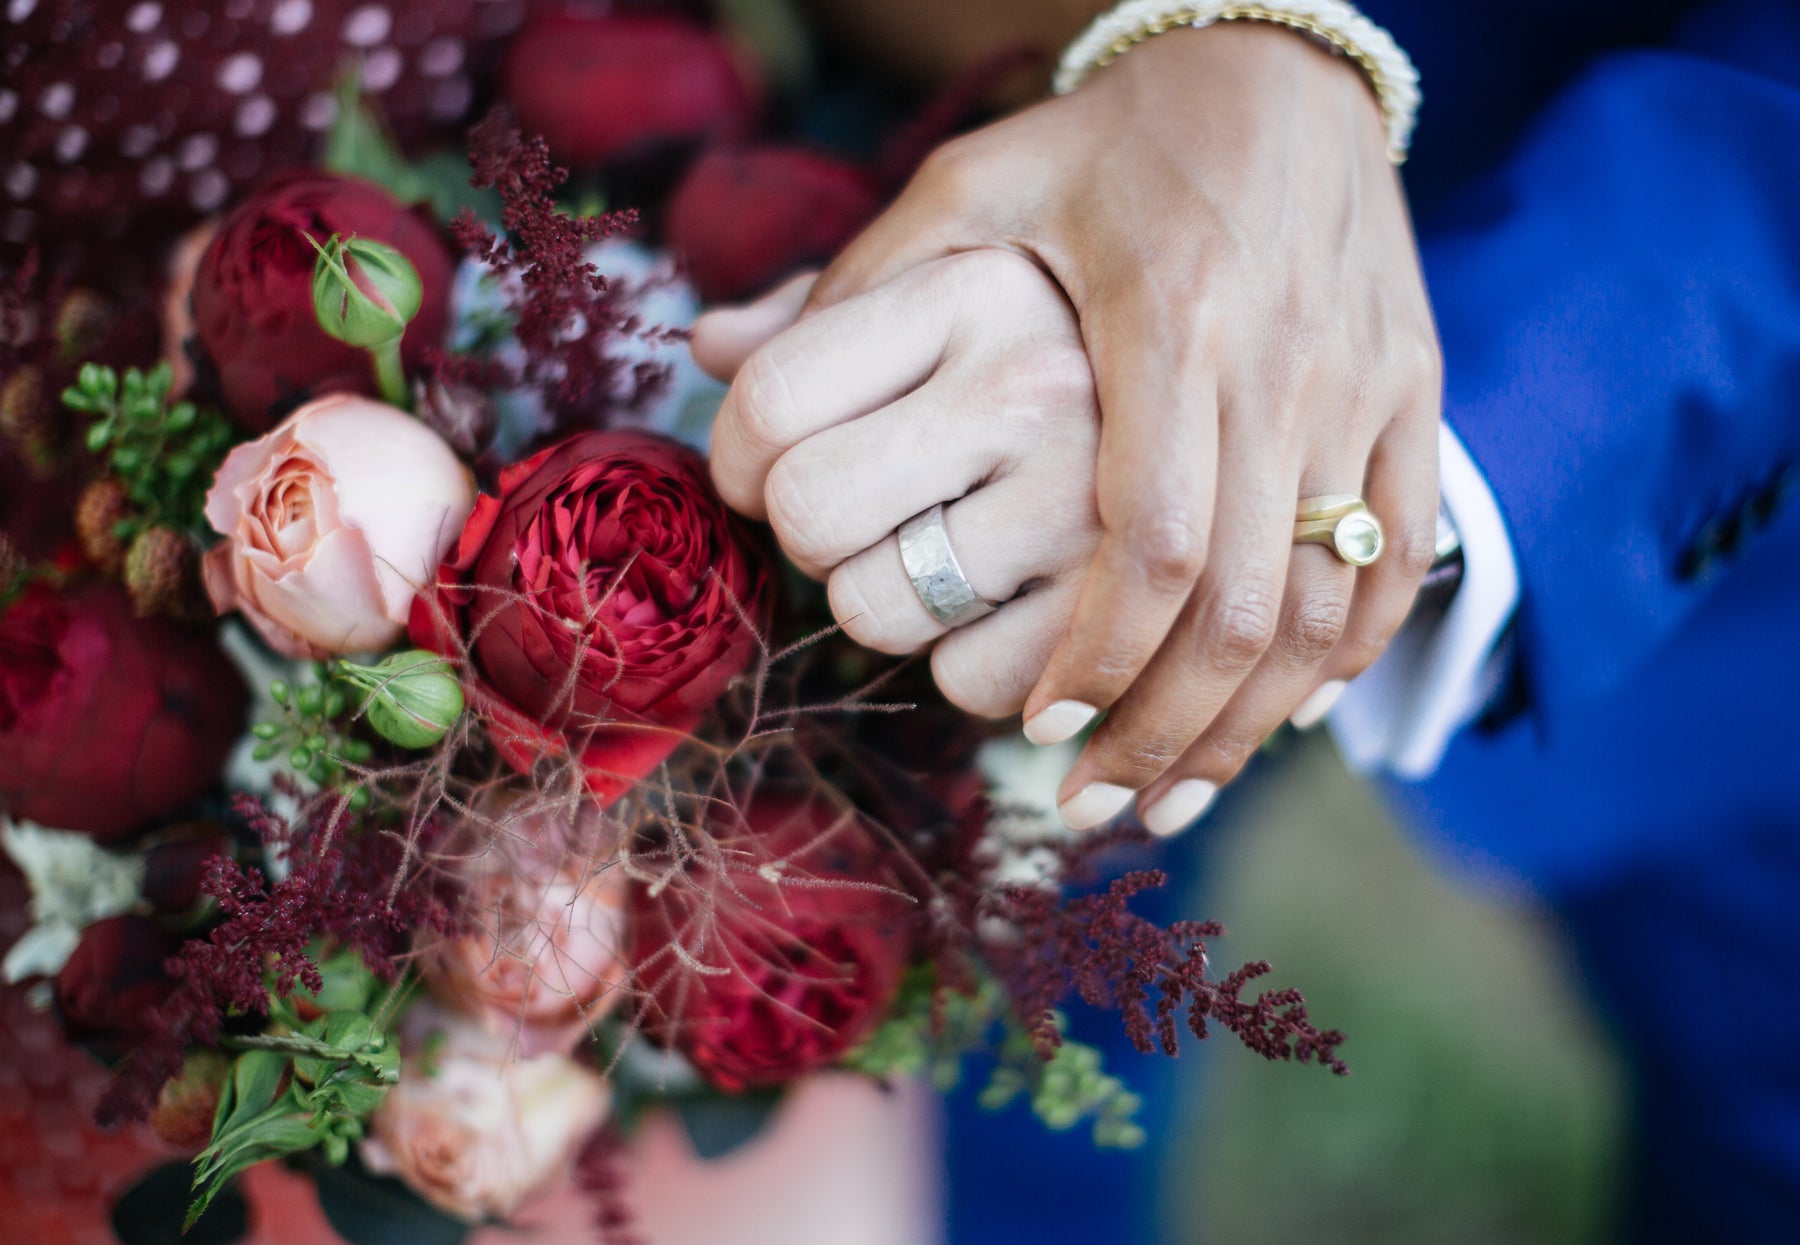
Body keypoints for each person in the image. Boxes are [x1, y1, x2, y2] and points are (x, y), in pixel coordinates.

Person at [691, 0, 1800, 1240]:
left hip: (1723, 511)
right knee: (999, 1060)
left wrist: (1417, 474)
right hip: (1007, 286)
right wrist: (1225, 49)